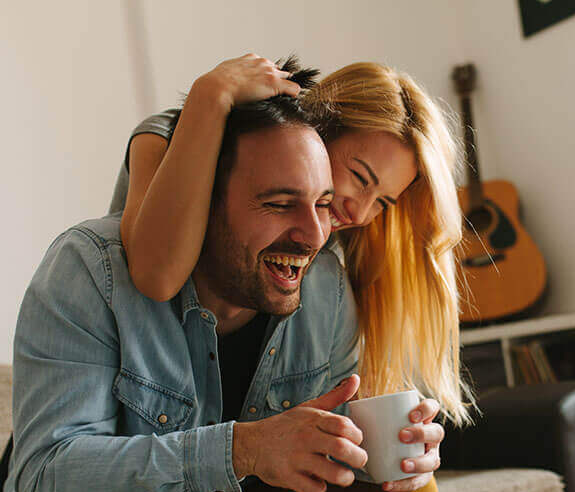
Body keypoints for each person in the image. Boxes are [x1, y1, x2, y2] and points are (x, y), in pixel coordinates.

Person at [0, 61, 447, 492]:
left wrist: (393, 449)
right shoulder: (91, 268)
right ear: (203, 195)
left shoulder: (324, 286)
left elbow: (321, 441)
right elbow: (48, 475)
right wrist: (244, 448)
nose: (322, 229)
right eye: (279, 202)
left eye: (320, 201)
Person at [110, 54, 474, 461]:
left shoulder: (330, 266)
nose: (359, 213)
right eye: (359, 177)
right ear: (317, 131)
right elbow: (156, 277)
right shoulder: (166, 140)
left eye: (383, 202)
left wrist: (400, 444)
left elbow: (341, 395)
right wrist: (211, 93)